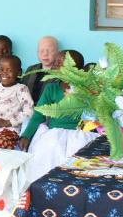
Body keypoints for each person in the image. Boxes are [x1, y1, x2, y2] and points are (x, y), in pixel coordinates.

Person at [18, 50, 99, 182]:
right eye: (55, 63)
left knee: (78, 161)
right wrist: (26, 135)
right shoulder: (51, 88)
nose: (54, 66)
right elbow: (39, 114)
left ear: (74, 69)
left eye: (59, 63)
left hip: (81, 134)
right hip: (54, 134)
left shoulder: (88, 90)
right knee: (49, 154)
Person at [21, 36, 59, 103]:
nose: (45, 54)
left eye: (50, 51)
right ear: (37, 52)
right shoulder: (31, 69)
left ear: (58, 52)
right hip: (27, 108)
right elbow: (22, 90)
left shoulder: (60, 73)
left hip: (48, 110)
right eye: (41, 51)